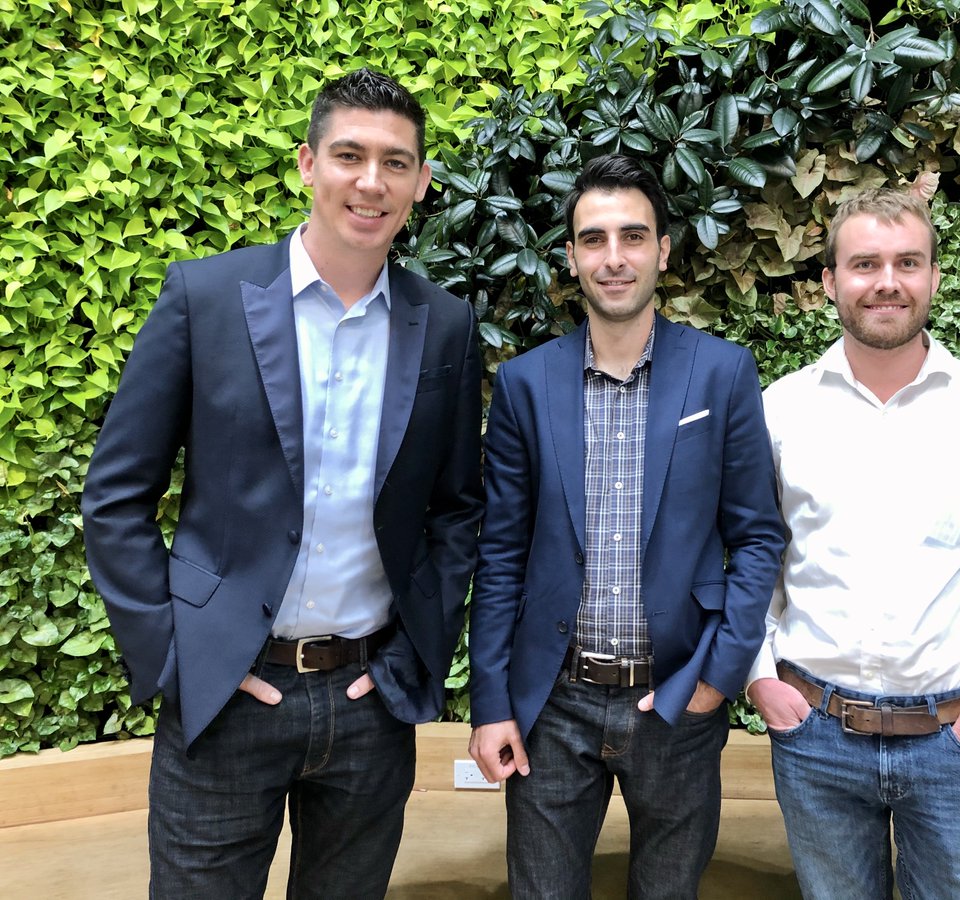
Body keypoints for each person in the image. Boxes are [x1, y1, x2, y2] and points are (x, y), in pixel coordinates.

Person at [81, 68, 483, 898]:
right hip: (226, 694)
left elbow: (455, 510)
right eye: (349, 155)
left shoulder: (444, 324)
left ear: (421, 182)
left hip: (371, 701)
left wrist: (413, 660)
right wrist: (177, 658)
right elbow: (116, 497)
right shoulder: (203, 298)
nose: (371, 182)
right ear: (307, 163)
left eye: (396, 163)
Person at [467, 154, 785, 899]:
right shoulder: (524, 383)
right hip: (553, 705)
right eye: (595, 239)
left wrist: (717, 679)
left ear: (663, 251)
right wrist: (491, 704)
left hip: (675, 702)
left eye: (633, 237)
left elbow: (758, 535)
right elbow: (502, 552)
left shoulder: (722, 373)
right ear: (571, 256)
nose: (614, 257)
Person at [747, 187, 960, 899]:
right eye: (864, 264)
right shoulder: (780, 412)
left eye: (907, 262)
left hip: (957, 739)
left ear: (934, 277)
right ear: (829, 281)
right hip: (817, 739)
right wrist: (760, 675)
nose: (886, 282)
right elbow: (754, 561)